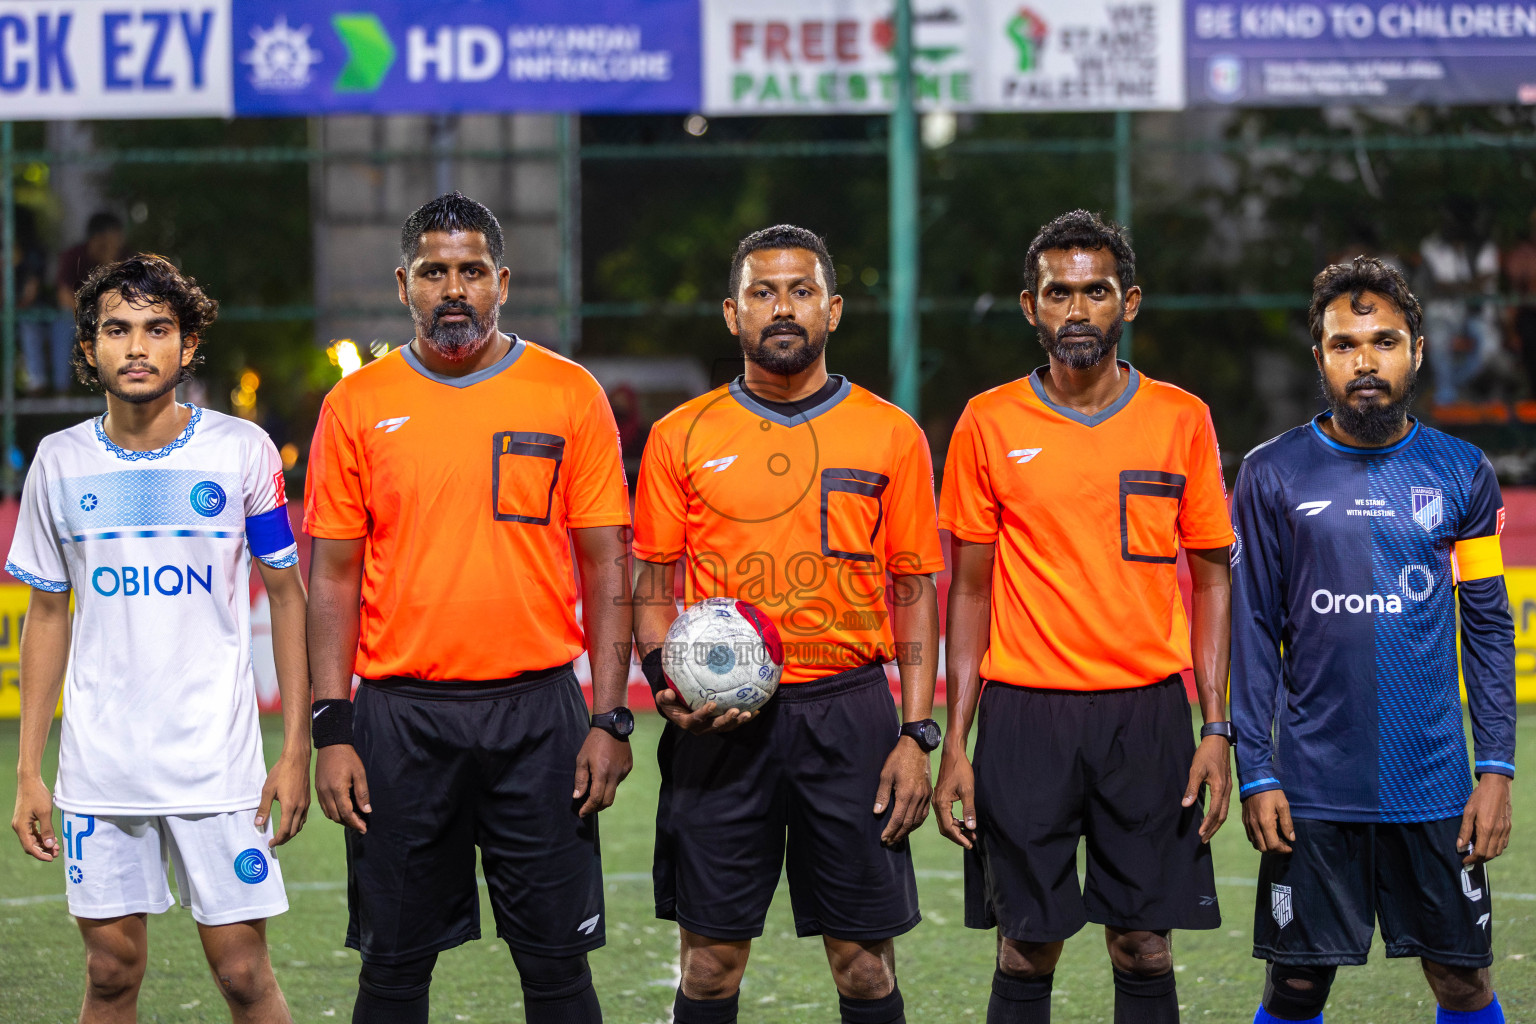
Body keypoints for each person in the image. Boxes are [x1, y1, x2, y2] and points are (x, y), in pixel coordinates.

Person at [304, 191, 633, 1024]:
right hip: (399, 722)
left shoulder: (569, 393)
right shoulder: (355, 406)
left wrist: (611, 717)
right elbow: (333, 577)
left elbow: (606, 565)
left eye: (472, 271)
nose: (455, 288)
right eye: (435, 272)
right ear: (403, 284)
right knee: (393, 969)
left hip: (540, 719)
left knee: (558, 970)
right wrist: (332, 727)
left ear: (503, 281)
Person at [633, 224, 945, 1024]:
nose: (783, 308)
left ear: (833, 310)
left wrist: (918, 733)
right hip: (716, 728)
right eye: (763, 293)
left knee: (865, 968)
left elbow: (915, 590)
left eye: (801, 291)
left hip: (850, 717)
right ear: (731, 314)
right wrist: (668, 678)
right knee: (709, 967)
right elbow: (651, 583)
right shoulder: (679, 437)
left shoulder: (891, 434)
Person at [935, 209, 1235, 1024]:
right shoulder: (987, 422)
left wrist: (1217, 727)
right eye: (1058, 293)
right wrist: (953, 743)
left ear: (1127, 303)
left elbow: (1211, 581)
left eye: (1095, 291)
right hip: (1024, 717)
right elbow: (966, 591)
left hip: (1148, 716)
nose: (1077, 309)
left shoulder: (1182, 419)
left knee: (1143, 944)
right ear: (1030, 307)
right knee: (1026, 944)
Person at [8, 254, 310, 1022]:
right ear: (89, 348)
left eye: (157, 329)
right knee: (110, 972)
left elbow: (287, 595)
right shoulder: (58, 461)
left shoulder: (243, 451)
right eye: (116, 329)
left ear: (188, 343)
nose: (136, 346)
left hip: (218, 764)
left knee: (244, 973)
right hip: (101, 769)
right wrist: (28, 774)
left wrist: (295, 750)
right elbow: (49, 613)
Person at [1231, 256, 1515, 1024]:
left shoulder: (1461, 472)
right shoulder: (1270, 474)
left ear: (1417, 351)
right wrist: (1255, 770)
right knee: (1294, 988)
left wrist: (1495, 769)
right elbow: (1252, 628)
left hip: (1435, 787)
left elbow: (1487, 626)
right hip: (1314, 787)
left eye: (1384, 340)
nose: (1366, 361)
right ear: (1319, 357)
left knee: (1462, 983)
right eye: (1345, 343)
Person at [49, 213, 127, 395]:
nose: (118, 242)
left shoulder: (125, 256)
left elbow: (127, 295)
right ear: (98, 237)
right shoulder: (73, 256)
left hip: (112, 317)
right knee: (64, 324)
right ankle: (61, 391)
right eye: (113, 236)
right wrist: (91, 315)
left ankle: (118, 389)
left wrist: (110, 262)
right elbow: (64, 296)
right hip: (77, 316)